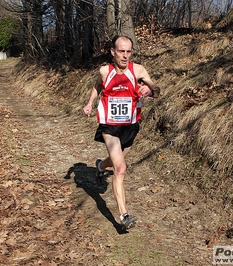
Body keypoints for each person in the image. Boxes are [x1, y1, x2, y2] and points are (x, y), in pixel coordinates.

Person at [82, 35, 160, 230]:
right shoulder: (104, 71)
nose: (125, 56)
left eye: (128, 52)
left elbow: (157, 89)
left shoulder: (138, 70)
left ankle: (100, 166)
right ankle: (124, 216)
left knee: (114, 163)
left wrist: (150, 91)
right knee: (121, 168)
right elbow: (97, 86)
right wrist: (90, 103)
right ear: (113, 52)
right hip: (109, 126)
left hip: (130, 126)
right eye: (121, 51)